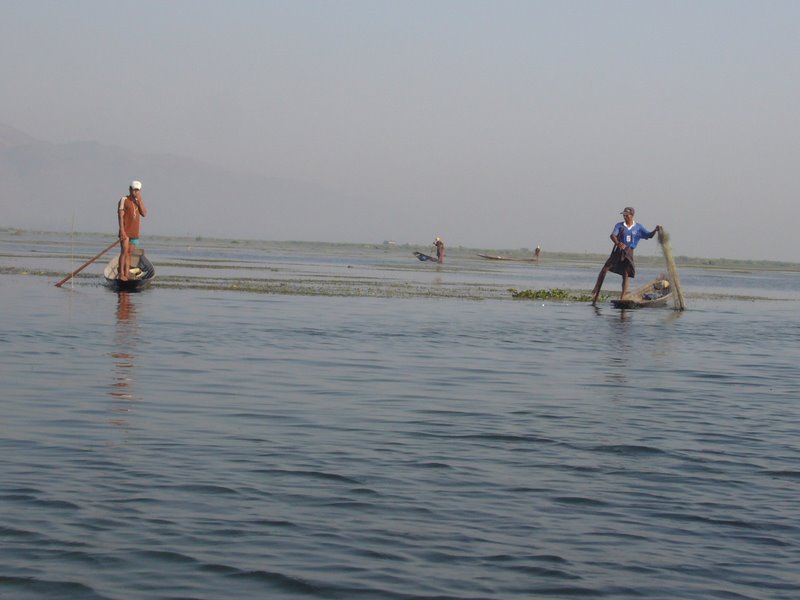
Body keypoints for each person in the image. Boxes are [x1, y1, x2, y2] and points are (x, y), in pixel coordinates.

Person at [591, 207, 660, 304]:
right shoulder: (620, 225)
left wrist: (655, 230)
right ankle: (596, 290)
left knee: (626, 274)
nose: (625, 217)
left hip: (629, 251)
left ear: (632, 215)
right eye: (624, 215)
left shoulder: (638, 227)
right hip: (618, 250)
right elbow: (612, 235)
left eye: (627, 215)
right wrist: (618, 243)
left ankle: (623, 296)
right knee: (605, 269)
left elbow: (649, 235)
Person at [117, 180, 147, 281]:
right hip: (126, 232)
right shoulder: (124, 199)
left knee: (129, 254)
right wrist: (122, 231)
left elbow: (144, 213)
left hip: (134, 233)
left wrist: (140, 200)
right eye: (134, 190)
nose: (135, 192)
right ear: (130, 189)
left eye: (137, 190)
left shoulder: (138, 201)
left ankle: (127, 274)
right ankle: (121, 274)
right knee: (124, 252)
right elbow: (120, 216)